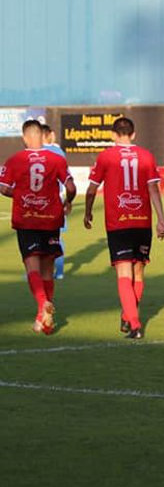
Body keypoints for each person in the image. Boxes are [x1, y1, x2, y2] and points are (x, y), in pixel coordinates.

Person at [83, 117, 164, 339]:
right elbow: (154, 190)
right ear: (134, 134)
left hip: (118, 222)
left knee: (123, 272)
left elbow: (92, 189)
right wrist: (161, 219)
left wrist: (88, 211)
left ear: (113, 134)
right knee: (138, 272)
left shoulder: (105, 157)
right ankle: (128, 315)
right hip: (142, 221)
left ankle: (135, 324)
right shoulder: (146, 156)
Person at [0, 120, 76, 334]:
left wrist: (21, 195)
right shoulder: (56, 159)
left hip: (27, 219)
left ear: (24, 137)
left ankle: (43, 305)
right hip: (51, 218)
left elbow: (4, 188)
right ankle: (44, 321)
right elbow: (71, 186)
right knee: (47, 270)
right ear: (42, 136)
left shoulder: (15, 159)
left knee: (32, 267)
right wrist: (67, 201)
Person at [40, 124, 68, 280]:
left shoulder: (34, 153)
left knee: (36, 239)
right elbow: (66, 178)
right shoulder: (58, 152)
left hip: (37, 202)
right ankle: (60, 272)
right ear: (49, 134)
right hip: (56, 200)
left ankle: (36, 272)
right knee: (57, 239)